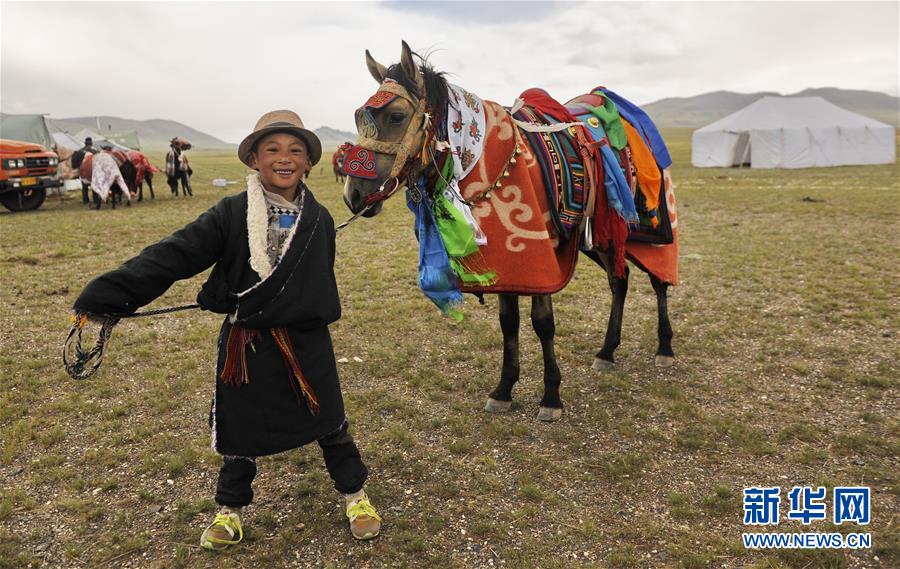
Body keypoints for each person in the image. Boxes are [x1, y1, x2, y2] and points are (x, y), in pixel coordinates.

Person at [71, 110, 381, 549]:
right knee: (240, 429)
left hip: (306, 339)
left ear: (309, 162)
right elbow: (173, 255)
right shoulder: (230, 213)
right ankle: (229, 510)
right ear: (254, 159)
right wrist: (105, 296)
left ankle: (356, 496)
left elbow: (317, 282)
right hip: (247, 341)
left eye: (295, 150)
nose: (284, 158)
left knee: (329, 420)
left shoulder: (321, 220)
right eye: (272, 149)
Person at [71, 137, 99, 205]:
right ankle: (95, 201)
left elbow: (73, 164)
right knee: (94, 186)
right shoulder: (95, 152)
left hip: (82, 172)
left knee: (84, 187)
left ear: (85, 143)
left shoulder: (79, 152)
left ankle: (86, 201)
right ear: (91, 143)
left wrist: (77, 167)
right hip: (92, 172)